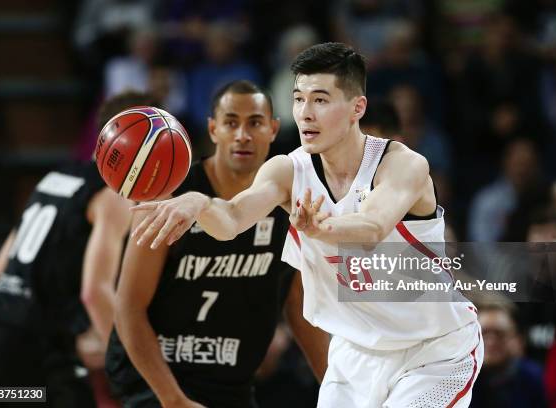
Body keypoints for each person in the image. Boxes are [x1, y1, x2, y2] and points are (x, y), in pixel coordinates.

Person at [131, 43, 484, 407]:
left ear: (356, 108)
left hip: (434, 351)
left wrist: (322, 230)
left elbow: (374, 226)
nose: (305, 113)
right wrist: (200, 203)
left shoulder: (402, 164)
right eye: (299, 99)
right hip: (355, 354)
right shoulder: (287, 170)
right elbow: (233, 219)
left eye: (320, 100)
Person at [107, 80, 329, 408]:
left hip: (231, 384)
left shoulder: (287, 202)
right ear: (213, 129)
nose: (242, 134)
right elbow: (128, 307)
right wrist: (172, 399)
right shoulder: (172, 197)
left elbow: (297, 306)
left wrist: (343, 389)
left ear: (273, 129)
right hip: (156, 383)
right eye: (230, 123)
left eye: (254, 122)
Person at [0, 92, 153, 406]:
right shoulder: (115, 195)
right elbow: (95, 292)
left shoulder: (55, 177)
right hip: (36, 347)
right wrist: (137, 364)